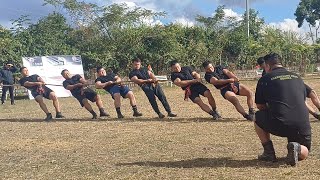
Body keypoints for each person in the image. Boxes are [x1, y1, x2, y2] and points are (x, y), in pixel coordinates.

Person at [254, 53, 311, 166]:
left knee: (257, 116)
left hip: (281, 123)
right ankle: (298, 148)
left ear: (267, 66)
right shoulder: (297, 77)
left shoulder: (265, 79)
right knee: (305, 150)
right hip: (303, 125)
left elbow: (260, 106)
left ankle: (269, 153)